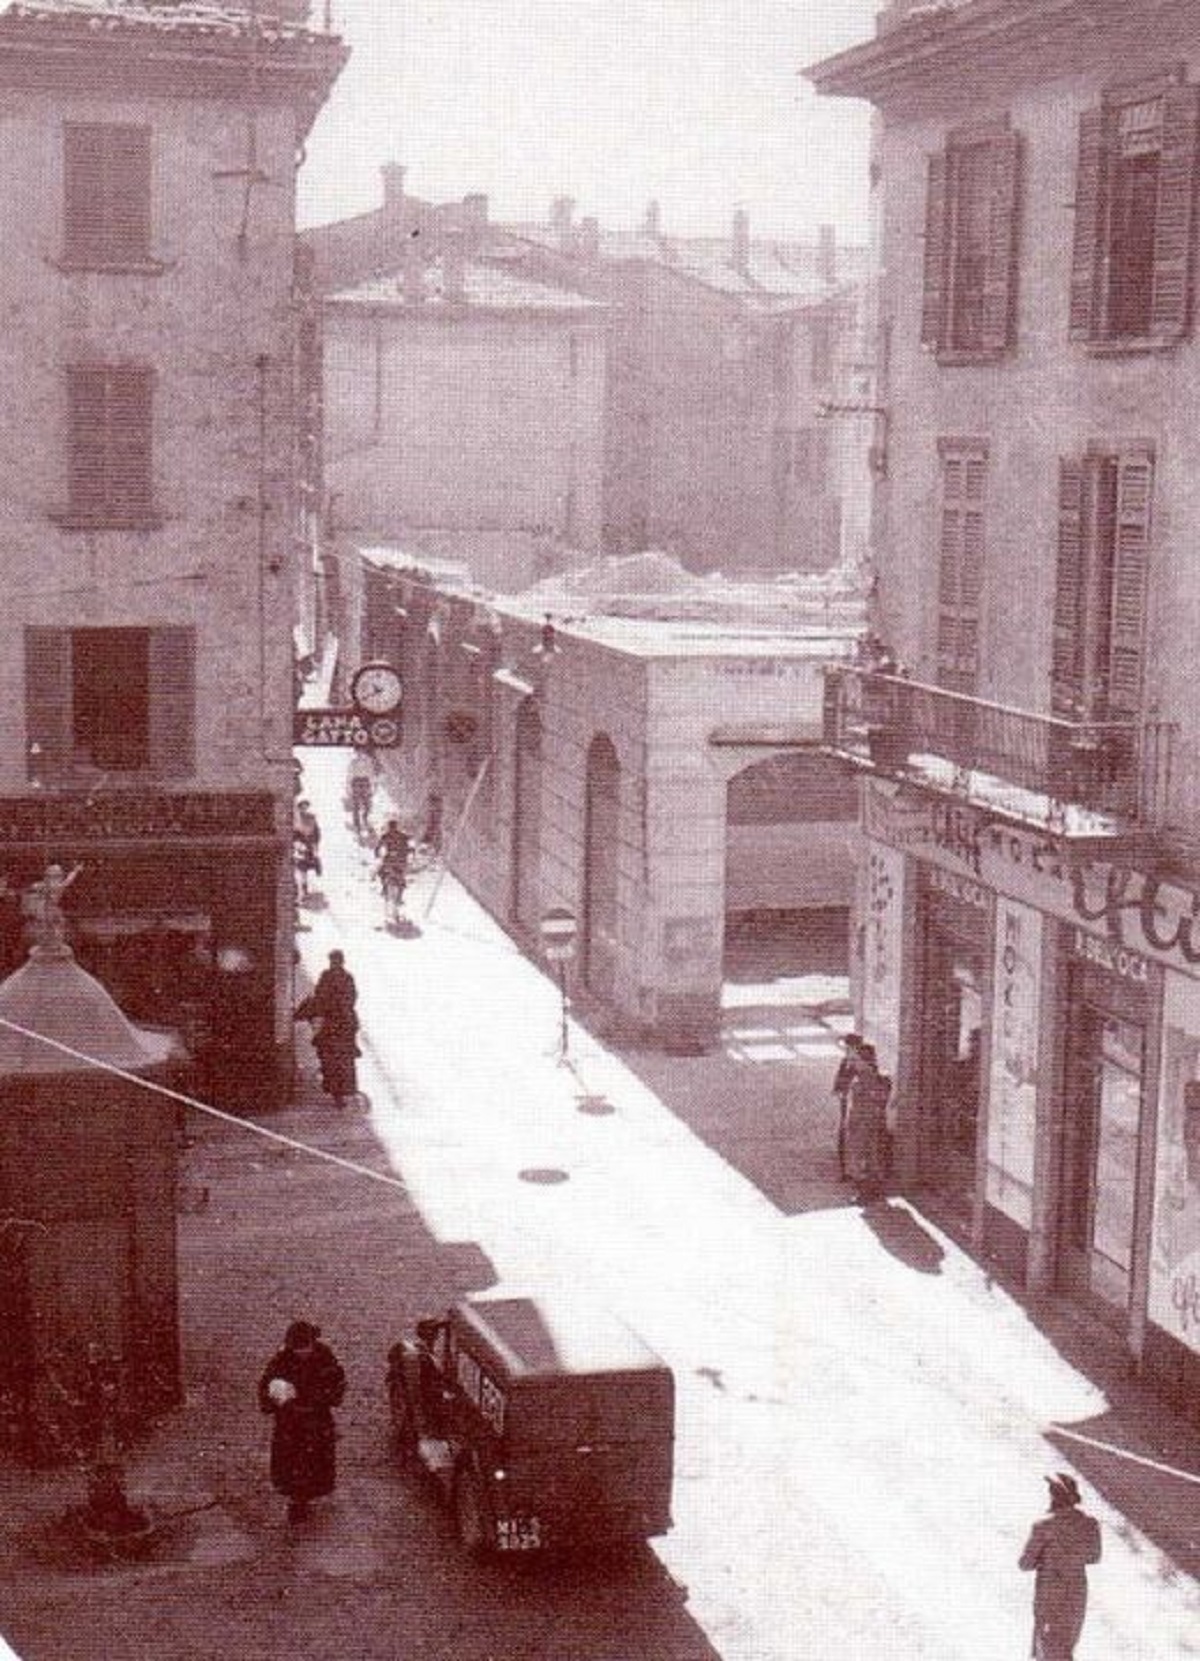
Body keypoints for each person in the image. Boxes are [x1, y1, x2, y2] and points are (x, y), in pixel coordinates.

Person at [257, 1320, 346, 1525]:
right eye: (298, 1349)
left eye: (305, 1348)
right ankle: (297, 1501)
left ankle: (306, 1496)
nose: (301, 1353)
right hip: (291, 1422)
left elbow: (337, 1383)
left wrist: (322, 1397)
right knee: (293, 1464)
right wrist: (275, 1398)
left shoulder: (324, 1356)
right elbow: (266, 1385)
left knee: (312, 1463)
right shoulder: (281, 1359)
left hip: (316, 1420)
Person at [1019, 1473, 1102, 1660]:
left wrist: (1047, 1559)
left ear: (1055, 1496)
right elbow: (1094, 1556)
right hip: (1077, 1592)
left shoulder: (1043, 1526)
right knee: (1065, 1647)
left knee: (1048, 1649)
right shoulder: (1090, 1524)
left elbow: (1025, 1563)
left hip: (1050, 1593)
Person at [295, 950, 360, 1108]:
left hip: (333, 1023)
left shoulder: (328, 976)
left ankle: (337, 1092)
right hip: (343, 1022)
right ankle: (341, 1091)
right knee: (343, 1058)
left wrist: (312, 1009)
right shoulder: (346, 977)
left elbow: (320, 997)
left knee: (330, 1057)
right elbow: (351, 997)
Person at [844, 1041, 890, 1205]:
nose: (853, 1063)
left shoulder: (871, 1080)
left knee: (866, 1159)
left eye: (856, 1060)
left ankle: (867, 1193)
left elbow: (875, 1104)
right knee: (868, 1158)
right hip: (863, 1123)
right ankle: (871, 1191)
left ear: (865, 1061)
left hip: (866, 1125)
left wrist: (860, 1124)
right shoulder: (868, 1077)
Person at [832, 1032, 865, 1181]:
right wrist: (838, 1089)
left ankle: (854, 1171)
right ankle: (845, 1170)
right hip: (845, 1102)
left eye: (849, 1047)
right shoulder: (845, 1061)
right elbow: (839, 1079)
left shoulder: (861, 1064)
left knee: (852, 1136)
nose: (847, 1050)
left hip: (856, 1105)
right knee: (843, 1134)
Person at [375, 819, 411, 926]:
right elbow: (410, 847)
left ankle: (384, 889)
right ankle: (399, 896)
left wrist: (377, 854)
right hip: (400, 862)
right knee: (401, 879)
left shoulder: (385, 836)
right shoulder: (403, 836)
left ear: (389, 827)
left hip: (390, 861)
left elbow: (378, 848)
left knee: (381, 872)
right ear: (396, 826)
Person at [292, 800, 322, 900]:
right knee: (298, 869)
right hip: (298, 845)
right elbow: (293, 833)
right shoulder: (294, 818)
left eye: (305, 807)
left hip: (308, 846)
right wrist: (297, 843)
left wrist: (315, 845)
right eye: (302, 807)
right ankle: (299, 891)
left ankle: (304, 890)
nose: (303, 809)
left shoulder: (311, 818)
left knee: (304, 869)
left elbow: (317, 833)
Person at [346, 748, 378, 838]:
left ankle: (365, 819)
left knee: (367, 804)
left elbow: (371, 774)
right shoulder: (353, 762)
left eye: (362, 752)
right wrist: (349, 787)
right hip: (356, 782)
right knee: (356, 806)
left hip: (365, 782)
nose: (360, 754)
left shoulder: (368, 762)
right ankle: (357, 825)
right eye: (358, 752)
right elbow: (350, 774)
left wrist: (372, 786)